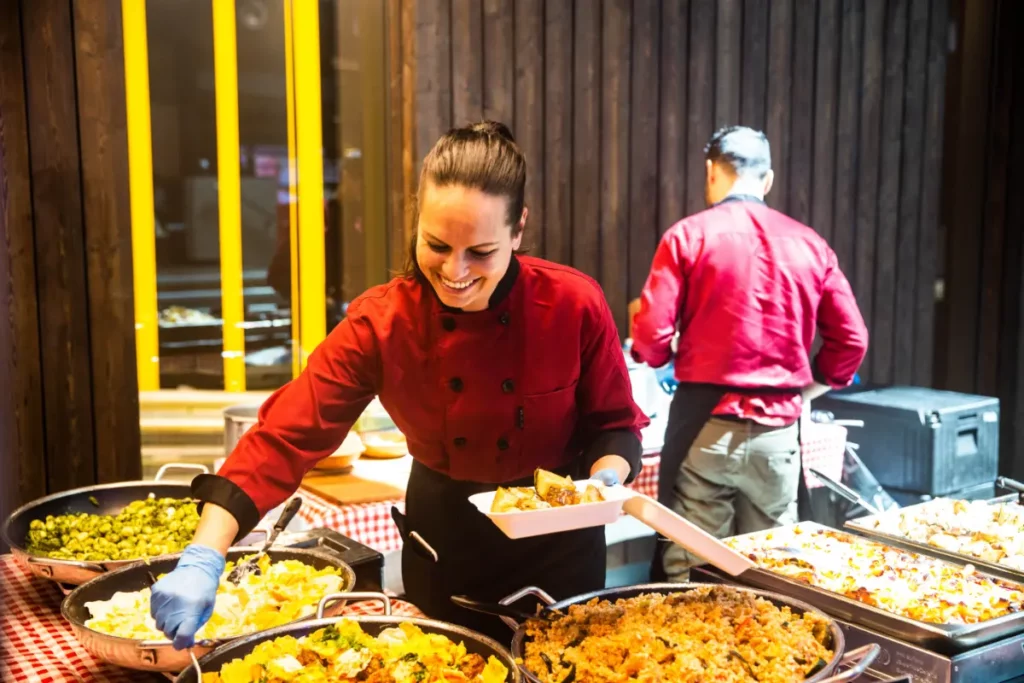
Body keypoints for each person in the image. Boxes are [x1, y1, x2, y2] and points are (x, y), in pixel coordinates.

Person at [150, 120, 649, 647]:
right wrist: (205, 553)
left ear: (518, 229)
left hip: (561, 555)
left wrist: (604, 481)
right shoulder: (382, 322)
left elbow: (613, 426)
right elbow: (285, 436)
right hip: (446, 551)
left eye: (480, 251)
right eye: (436, 244)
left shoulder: (572, 305)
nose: (455, 271)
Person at [629, 126, 868, 582]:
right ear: (769, 179)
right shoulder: (810, 243)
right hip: (778, 434)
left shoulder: (686, 237)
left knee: (691, 567)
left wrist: (664, 352)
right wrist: (810, 385)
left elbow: (651, 340)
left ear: (710, 172)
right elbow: (852, 339)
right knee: (773, 570)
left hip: (705, 428)